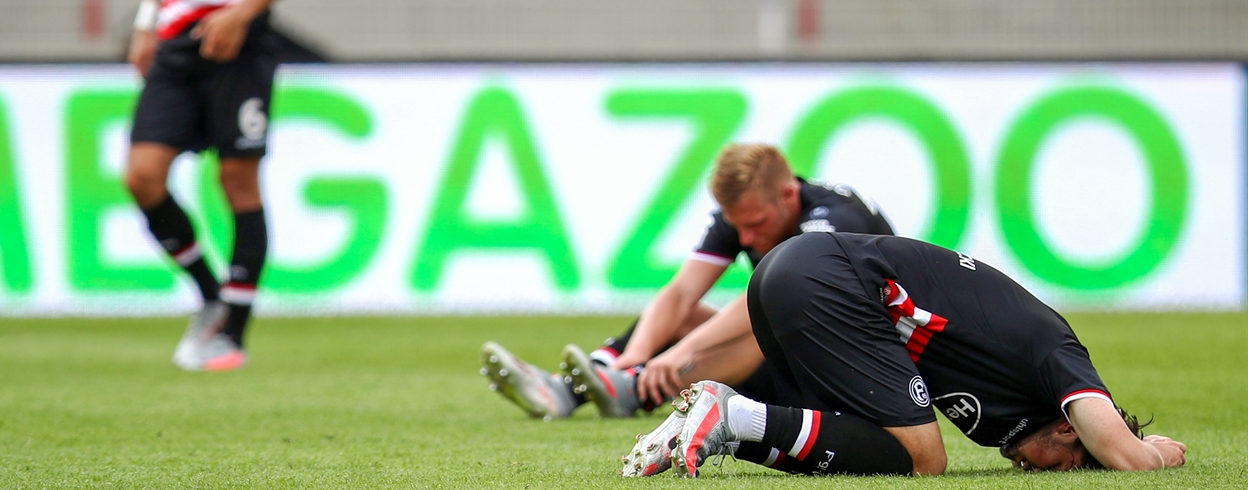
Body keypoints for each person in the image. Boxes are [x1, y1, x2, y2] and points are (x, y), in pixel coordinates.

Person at [623, 232, 1188, 477]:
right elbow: (1126, 458)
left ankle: (715, 426)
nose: (1032, 470)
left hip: (788, 276)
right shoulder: (1058, 352)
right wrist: (1159, 451)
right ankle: (728, 414)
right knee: (925, 458)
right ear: (1069, 431)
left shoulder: (1003, 422)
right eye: (1067, 467)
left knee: (864, 441)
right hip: (826, 277)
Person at [480, 143, 894, 419]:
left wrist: (681, 354)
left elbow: (765, 300)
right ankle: (596, 379)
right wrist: (640, 351)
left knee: (763, 327)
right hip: (803, 360)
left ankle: (632, 389)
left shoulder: (834, 221)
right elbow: (680, 293)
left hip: (867, 379)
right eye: (739, 228)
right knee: (687, 316)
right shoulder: (748, 212)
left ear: (788, 195)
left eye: (755, 225)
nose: (746, 239)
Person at [123, 0, 311, 372]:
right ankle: (209, 296)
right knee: (143, 177)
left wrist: (241, 12)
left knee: (237, 182)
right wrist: (149, 19)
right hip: (177, 43)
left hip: (239, 48)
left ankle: (233, 330)